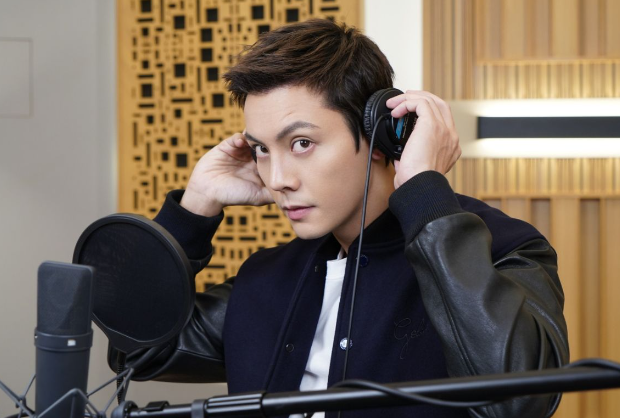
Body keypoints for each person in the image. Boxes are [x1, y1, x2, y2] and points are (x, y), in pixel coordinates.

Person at [109, 19, 569, 418]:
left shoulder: (504, 249)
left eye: (302, 143)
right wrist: (193, 209)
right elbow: (138, 350)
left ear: (379, 135)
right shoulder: (267, 277)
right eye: (261, 149)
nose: (278, 179)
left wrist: (425, 191)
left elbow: (517, 401)